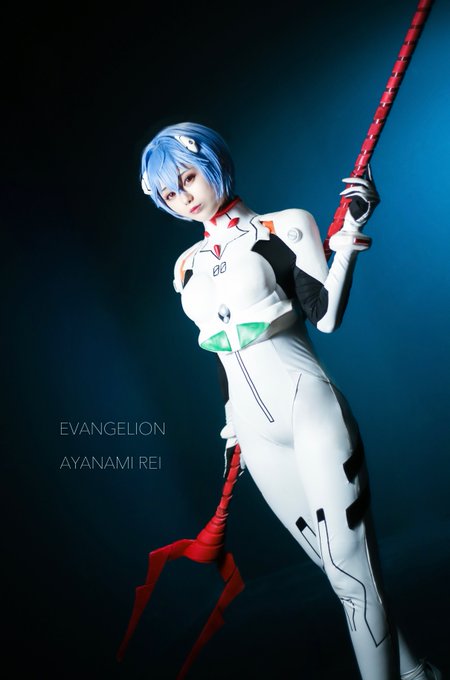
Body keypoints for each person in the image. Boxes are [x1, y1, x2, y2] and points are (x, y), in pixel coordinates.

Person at [139, 121, 441, 680]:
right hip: (256, 439)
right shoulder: (185, 267)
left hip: (310, 413)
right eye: (169, 193)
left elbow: (325, 316)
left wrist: (350, 233)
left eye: (187, 178)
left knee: (352, 573)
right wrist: (232, 422)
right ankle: (416, 674)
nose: (183, 197)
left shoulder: (286, 226)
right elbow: (221, 351)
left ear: (213, 164)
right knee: (340, 575)